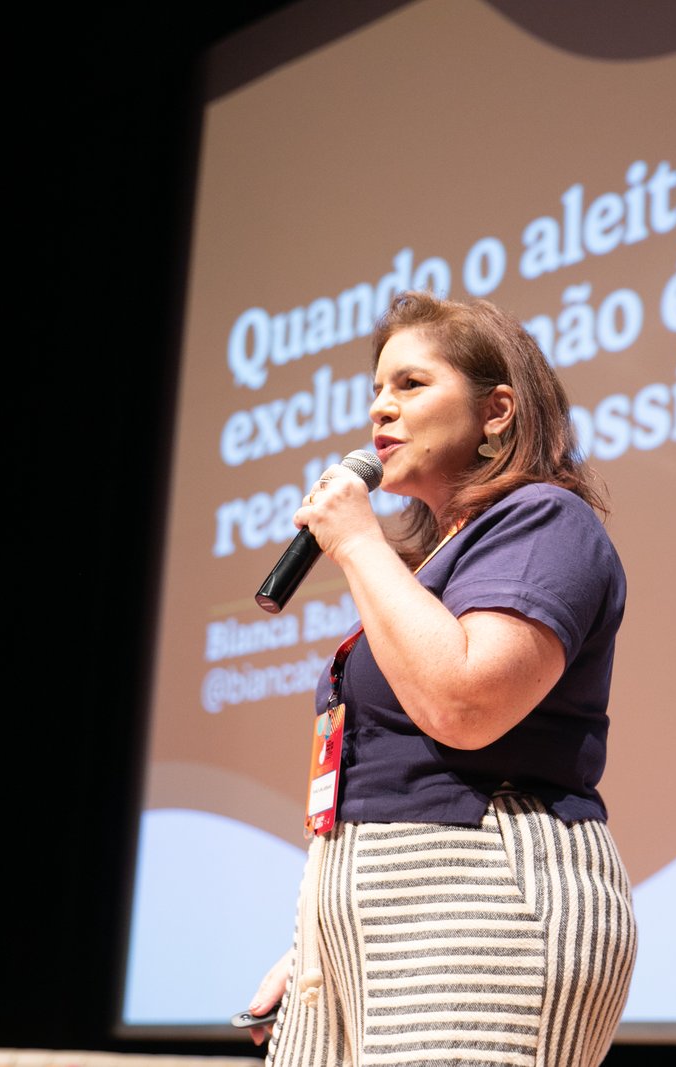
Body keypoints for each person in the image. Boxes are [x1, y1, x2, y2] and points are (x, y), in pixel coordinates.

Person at [246, 291, 635, 1067]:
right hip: (382, 926)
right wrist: (326, 941)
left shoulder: (546, 519)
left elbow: (465, 703)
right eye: (376, 390)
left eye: (411, 384)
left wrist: (358, 542)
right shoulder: (435, 565)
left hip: (483, 903)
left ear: (497, 411)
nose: (380, 408)